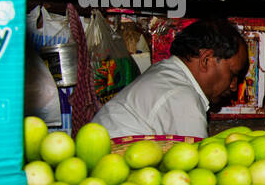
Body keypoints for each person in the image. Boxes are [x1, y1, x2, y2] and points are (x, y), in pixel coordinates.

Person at [92, 18, 248, 139]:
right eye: (233, 75)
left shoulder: (165, 74)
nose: (234, 86)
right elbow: (197, 171)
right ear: (206, 60)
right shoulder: (181, 96)